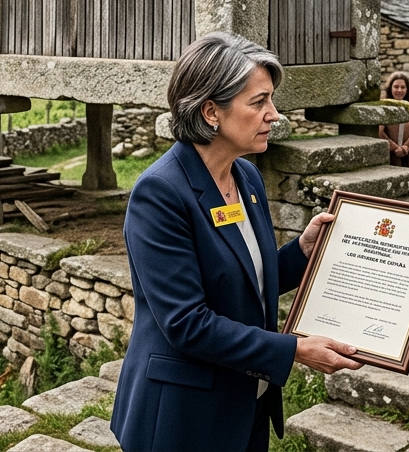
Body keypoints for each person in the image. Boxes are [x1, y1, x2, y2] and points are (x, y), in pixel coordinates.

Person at [110, 32, 360, 452]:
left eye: (271, 101)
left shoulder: (246, 178)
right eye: (259, 102)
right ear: (212, 112)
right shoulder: (160, 194)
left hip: (245, 402)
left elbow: (246, 281)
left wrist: (302, 251)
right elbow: (187, 323)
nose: (274, 115)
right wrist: (294, 349)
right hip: (183, 414)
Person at [379, 72, 409, 174]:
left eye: (403, 87)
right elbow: (380, 131)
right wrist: (395, 148)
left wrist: (406, 147)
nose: (399, 90)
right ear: (390, 88)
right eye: (396, 87)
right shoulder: (384, 106)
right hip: (390, 156)